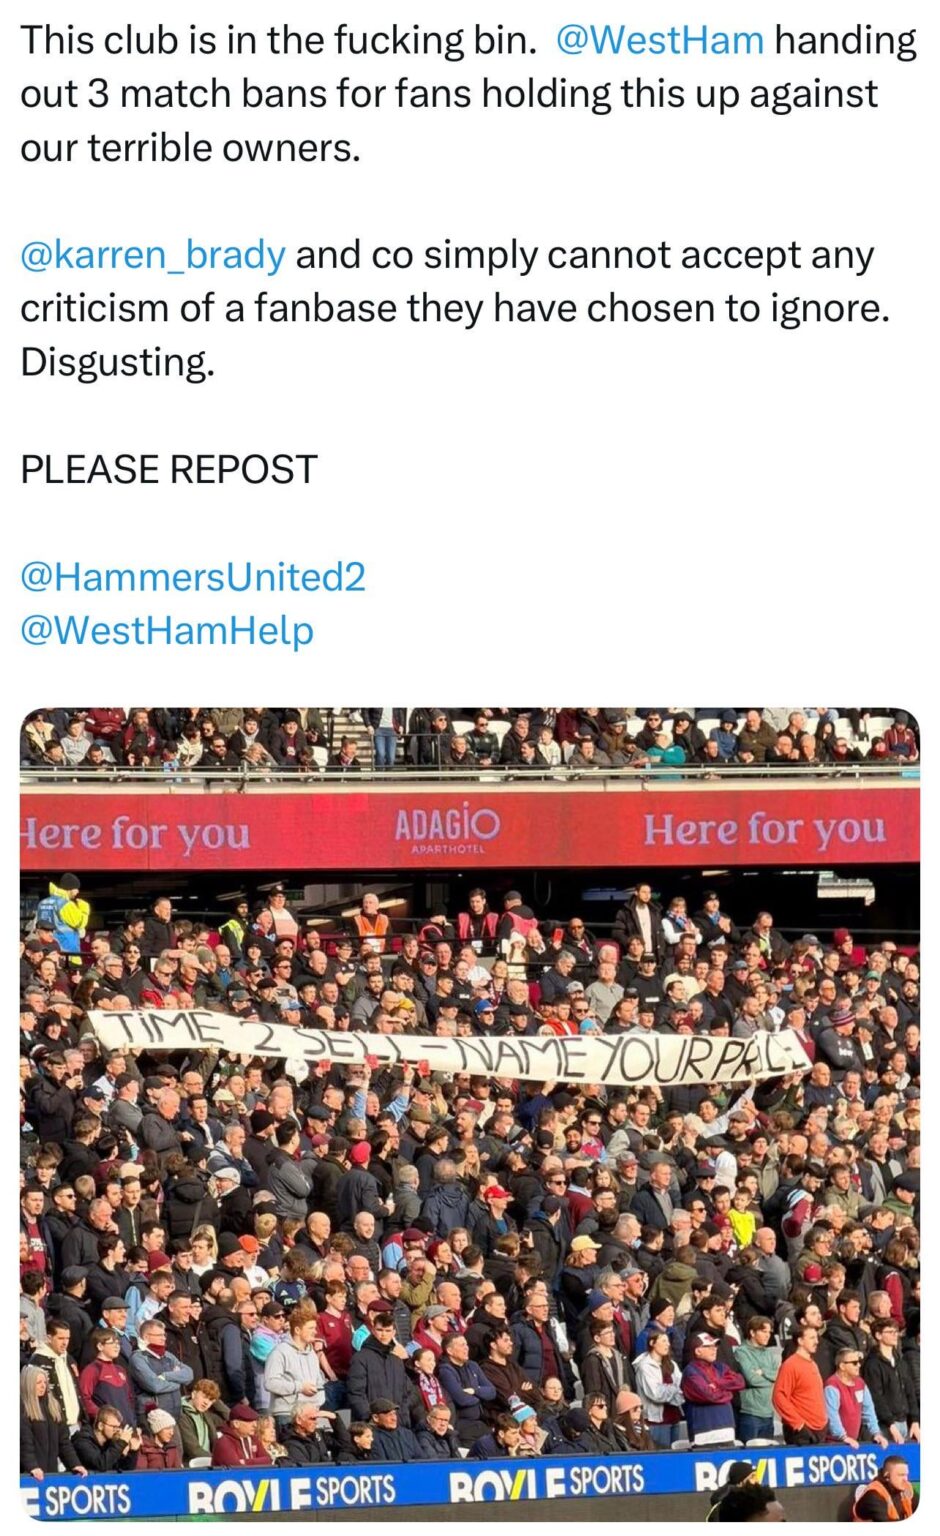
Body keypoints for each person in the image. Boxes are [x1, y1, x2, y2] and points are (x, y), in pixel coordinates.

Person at [20, 1365, 87, 1478]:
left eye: (45, 1382)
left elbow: (64, 1442)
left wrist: (75, 1464)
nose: (43, 1386)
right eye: (38, 1383)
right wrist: (32, 1466)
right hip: (29, 1475)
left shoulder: (54, 1407)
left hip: (50, 1473)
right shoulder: (22, 1408)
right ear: (28, 1384)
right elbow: (25, 1442)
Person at [772, 1325, 828, 1445]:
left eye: (816, 1338)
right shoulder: (791, 1365)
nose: (816, 1342)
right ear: (800, 1341)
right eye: (812, 1338)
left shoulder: (813, 1364)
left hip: (819, 1428)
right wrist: (798, 1424)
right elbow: (779, 1396)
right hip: (802, 1431)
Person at [73, 1408, 142, 1472]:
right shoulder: (82, 1441)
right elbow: (101, 1465)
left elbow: (123, 1469)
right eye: (114, 1427)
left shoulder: (110, 1442)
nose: (117, 1430)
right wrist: (121, 1442)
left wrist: (133, 1451)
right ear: (100, 1426)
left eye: (118, 1427)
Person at [852, 1455, 917, 1521]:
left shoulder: (907, 1487)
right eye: (901, 1475)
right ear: (887, 1476)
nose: (905, 1479)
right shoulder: (873, 1495)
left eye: (906, 1475)